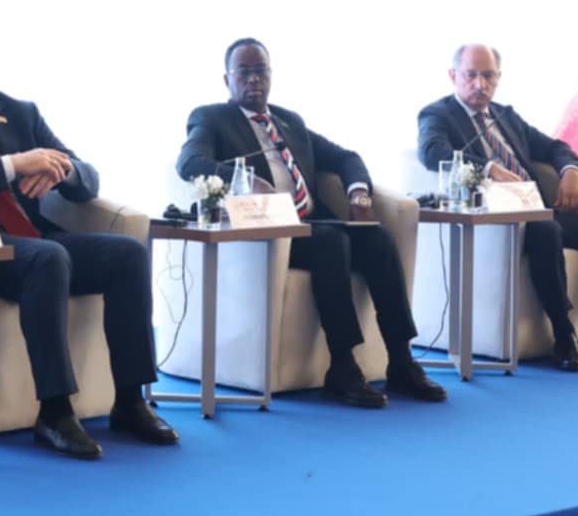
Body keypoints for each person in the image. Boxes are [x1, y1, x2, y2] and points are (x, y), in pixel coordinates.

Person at [0, 13, 176, 458]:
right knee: (48, 257)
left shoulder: (19, 112)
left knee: (127, 254)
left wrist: (62, 170)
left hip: (34, 238)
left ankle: (130, 400)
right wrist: (14, 165)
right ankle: (55, 411)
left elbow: (88, 179)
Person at [178, 39, 447, 408]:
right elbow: (190, 162)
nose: (254, 79)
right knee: (330, 241)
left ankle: (401, 359)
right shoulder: (211, 119)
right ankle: (342, 365)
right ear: (227, 79)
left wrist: (358, 194)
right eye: (244, 72)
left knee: (378, 239)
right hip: (268, 233)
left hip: (315, 223)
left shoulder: (289, 121)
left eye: (261, 71)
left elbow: (346, 158)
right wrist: (245, 180)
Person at [418, 44, 578, 371]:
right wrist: (488, 168)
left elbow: (554, 147)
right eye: (470, 75)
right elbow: (433, 152)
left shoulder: (504, 115)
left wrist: (570, 171)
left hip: (538, 209)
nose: (479, 84)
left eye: (488, 76)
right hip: (495, 219)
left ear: (498, 77)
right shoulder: (438, 114)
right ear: (453, 76)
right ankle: (564, 333)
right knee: (547, 231)